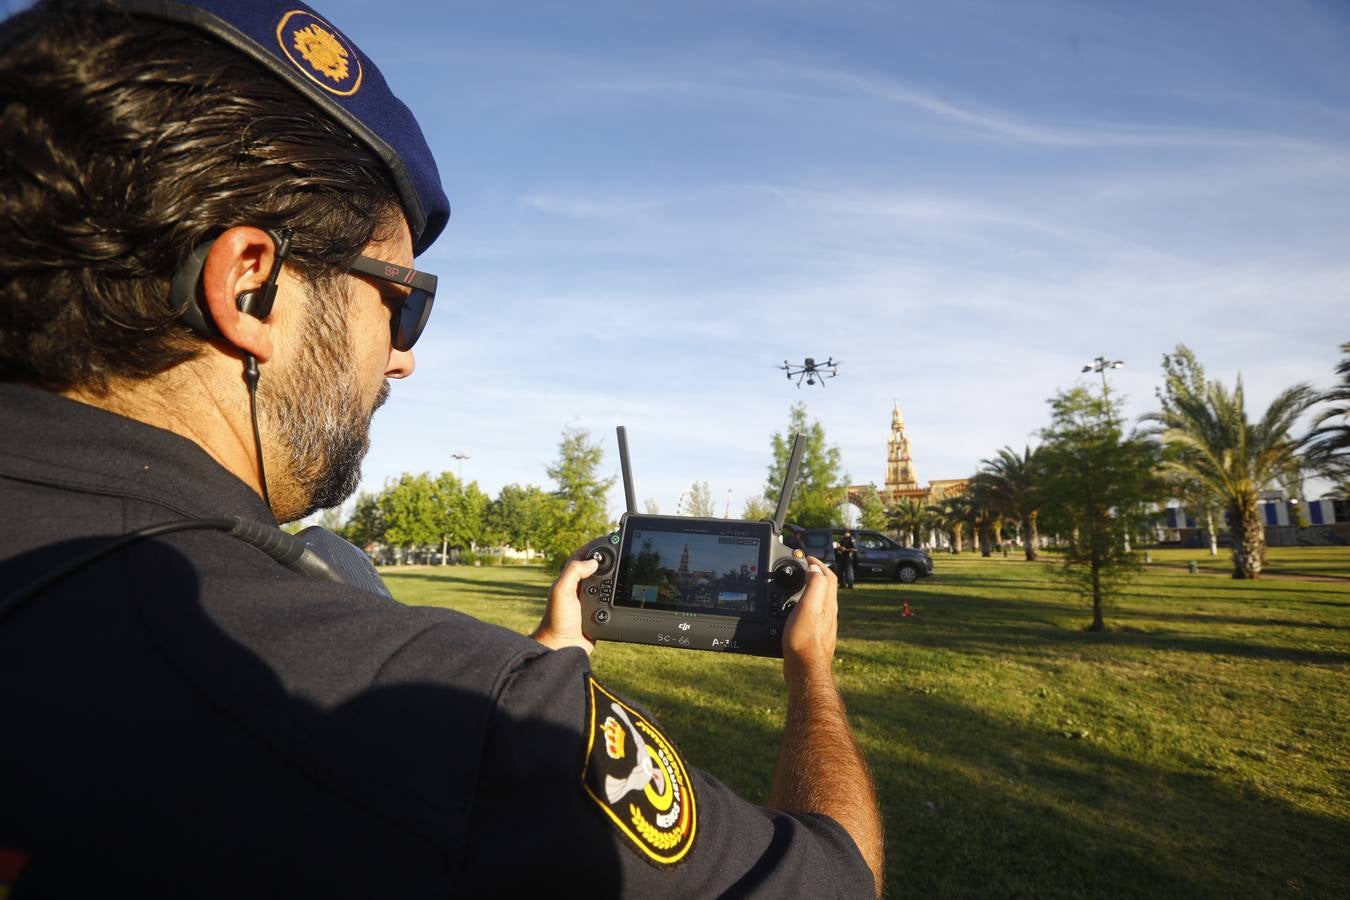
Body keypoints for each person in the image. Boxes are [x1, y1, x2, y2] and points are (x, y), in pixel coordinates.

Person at [0, 2, 884, 897]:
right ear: (249, 285)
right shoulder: (460, 713)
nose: (404, 356)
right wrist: (811, 674)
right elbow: (833, 881)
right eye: (403, 299)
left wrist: (551, 653)